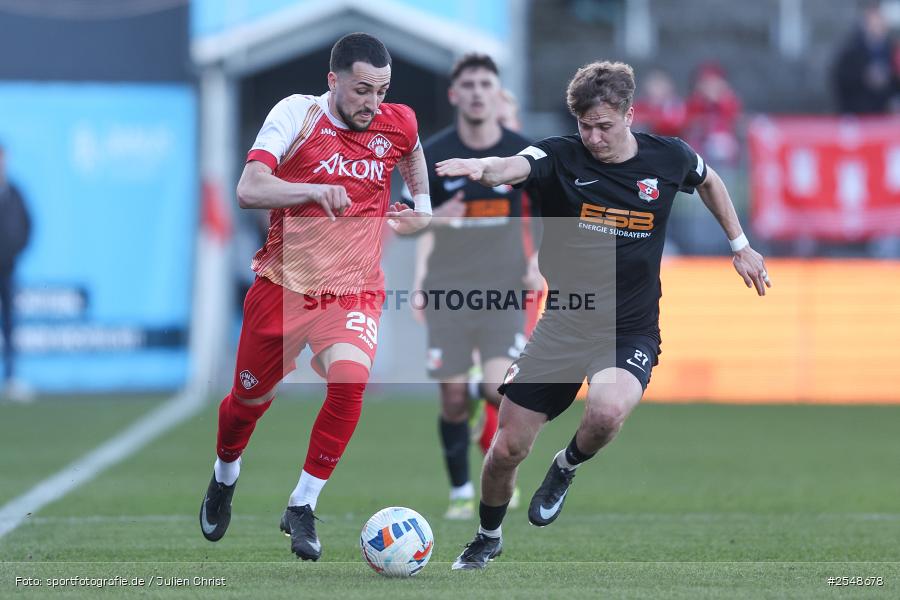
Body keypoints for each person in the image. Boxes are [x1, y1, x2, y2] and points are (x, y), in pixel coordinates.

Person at [436, 60, 770, 570]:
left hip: (629, 327)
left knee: (607, 412)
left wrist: (740, 244)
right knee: (507, 448)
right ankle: (487, 535)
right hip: (563, 325)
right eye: (585, 126)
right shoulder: (558, 155)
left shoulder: (668, 157)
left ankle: (565, 467)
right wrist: (484, 168)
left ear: (630, 115)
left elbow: (709, 180)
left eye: (604, 126)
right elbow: (515, 165)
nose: (593, 137)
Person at [199, 33, 431, 561]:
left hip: (353, 291)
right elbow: (249, 188)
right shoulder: (298, 115)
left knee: (350, 383)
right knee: (245, 406)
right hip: (283, 288)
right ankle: (224, 474)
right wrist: (309, 190)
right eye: (361, 89)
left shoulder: (398, 121)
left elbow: (412, 154)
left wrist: (421, 206)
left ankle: (302, 504)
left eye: (381, 90)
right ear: (333, 81)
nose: (372, 102)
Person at [408, 54, 541, 520]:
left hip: (504, 293)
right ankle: (462, 490)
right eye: (470, 84)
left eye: (487, 83)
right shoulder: (432, 153)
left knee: (495, 389)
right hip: (449, 293)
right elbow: (403, 221)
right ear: (455, 94)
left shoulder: (521, 152)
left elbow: (549, 211)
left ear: (495, 90)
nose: (478, 91)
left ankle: (503, 474)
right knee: (453, 398)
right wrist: (434, 218)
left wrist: (539, 262)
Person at [0, 142, 33, 403]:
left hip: (7, 270)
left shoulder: (14, 193)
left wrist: (13, 250)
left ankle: (10, 378)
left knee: (10, 325)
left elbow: (27, 226)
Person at [832, 1, 900, 114]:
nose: (877, 27)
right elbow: (841, 80)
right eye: (873, 23)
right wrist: (864, 77)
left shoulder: (892, 50)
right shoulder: (850, 51)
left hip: (885, 114)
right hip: (859, 113)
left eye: (880, 22)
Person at [683, 62, 742, 167]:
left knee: (720, 146)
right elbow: (689, 121)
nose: (710, 86)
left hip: (723, 143)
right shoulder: (696, 101)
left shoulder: (728, 99)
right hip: (700, 142)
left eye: (714, 82)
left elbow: (733, 118)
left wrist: (719, 100)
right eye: (706, 83)